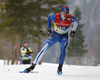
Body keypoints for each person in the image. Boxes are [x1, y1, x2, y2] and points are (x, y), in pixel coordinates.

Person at [23, 5, 79, 75]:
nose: (65, 14)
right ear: (61, 12)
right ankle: (32, 66)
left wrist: (73, 31)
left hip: (64, 37)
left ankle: (60, 67)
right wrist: (49, 29)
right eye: (64, 12)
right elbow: (49, 18)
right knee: (44, 48)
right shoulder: (56, 16)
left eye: (67, 12)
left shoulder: (70, 18)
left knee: (63, 48)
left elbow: (77, 20)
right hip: (54, 35)